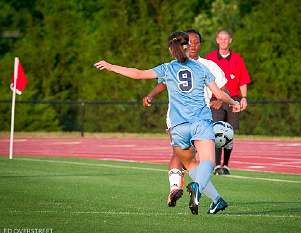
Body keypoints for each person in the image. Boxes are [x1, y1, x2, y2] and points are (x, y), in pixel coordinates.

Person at [94, 31, 241, 215]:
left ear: (171, 50)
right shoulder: (201, 68)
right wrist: (234, 102)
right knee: (208, 162)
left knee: (190, 164)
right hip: (200, 122)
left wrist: (110, 66)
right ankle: (196, 187)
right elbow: (219, 95)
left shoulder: (167, 68)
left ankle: (217, 199)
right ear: (187, 46)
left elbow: (138, 74)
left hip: (178, 127)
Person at [143, 29, 230, 214]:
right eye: (189, 42)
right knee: (195, 162)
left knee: (193, 163)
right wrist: (232, 102)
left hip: (192, 120)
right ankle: (190, 190)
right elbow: (164, 83)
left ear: (200, 44)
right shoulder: (196, 67)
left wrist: (220, 100)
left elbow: (223, 90)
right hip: (190, 120)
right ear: (183, 45)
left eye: (196, 42)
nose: (192, 45)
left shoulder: (206, 65)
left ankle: (209, 197)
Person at [205, 30, 251, 175]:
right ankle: (217, 165)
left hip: (233, 100)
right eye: (221, 39)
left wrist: (244, 98)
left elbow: (243, 80)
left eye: (226, 39)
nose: (224, 41)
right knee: (217, 131)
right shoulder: (209, 58)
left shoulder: (238, 59)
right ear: (217, 40)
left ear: (230, 40)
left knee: (229, 133)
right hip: (215, 100)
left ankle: (226, 165)